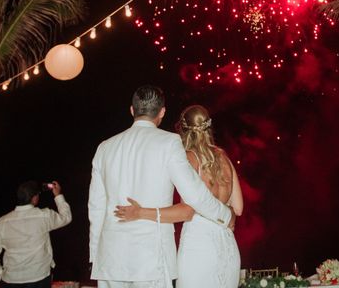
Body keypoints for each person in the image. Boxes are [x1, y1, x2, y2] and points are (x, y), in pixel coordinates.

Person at [88, 86, 235, 288]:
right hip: (151, 259)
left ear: (132, 110)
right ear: (162, 112)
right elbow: (195, 196)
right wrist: (226, 216)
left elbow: (95, 208)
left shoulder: (104, 147)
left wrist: (96, 255)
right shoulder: (169, 142)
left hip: (110, 258)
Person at [0, 180, 71, 288]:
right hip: (39, 277)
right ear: (34, 198)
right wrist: (58, 195)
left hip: (10, 280)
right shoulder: (44, 216)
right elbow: (66, 217)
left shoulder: (2, 222)